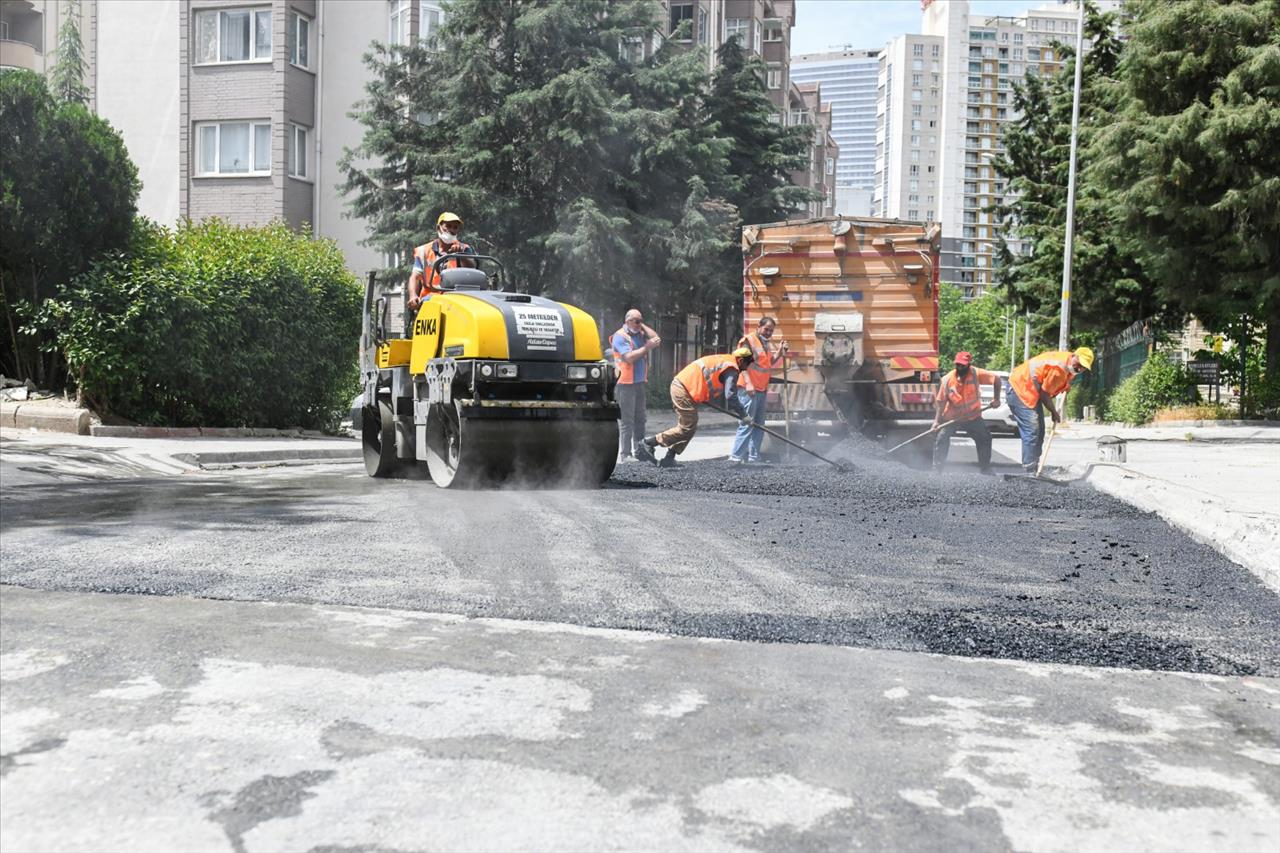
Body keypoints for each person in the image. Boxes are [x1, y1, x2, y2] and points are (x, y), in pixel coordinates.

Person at [636, 348, 754, 468]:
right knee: (687, 427)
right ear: (740, 360)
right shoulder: (732, 367)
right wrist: (743, 415)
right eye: (747, 363)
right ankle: (648, 443)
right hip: (683, 388)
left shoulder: (725, 360)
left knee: (690, 427)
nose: (747, 367)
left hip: (685, 388)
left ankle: (669, 458)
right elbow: (730, 396)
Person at [1005, 346, 1095, 472]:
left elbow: (1054, 384)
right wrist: (1054, 412)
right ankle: (1029, 469)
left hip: (1030, 391)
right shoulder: (1059, 369)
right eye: (1079, 364)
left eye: (1083, 367)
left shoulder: (1069, 365)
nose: (1079, 368)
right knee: (1032, 430)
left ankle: (1034, 468)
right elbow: (1045, 395)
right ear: (1074, 356)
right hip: (1019, 389)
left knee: (1040, 431)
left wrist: (1065, 386)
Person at [932, 351, 1000, 474]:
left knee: (985, 438)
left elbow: (997, 380)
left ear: (968, 364)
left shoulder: (976, 373)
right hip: (952, 416)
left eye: (963, 365)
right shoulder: (947, 380)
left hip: (973, 416)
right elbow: (941, 402)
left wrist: (996, 399)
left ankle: (985, 468)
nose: (960, 367)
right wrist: (937, 421)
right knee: (942, 438)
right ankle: (937, 470)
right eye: (958, 365)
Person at [730, 316, 786, 464]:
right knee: (747, 422)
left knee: (759, 425)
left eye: (771, 331)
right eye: (766, 329)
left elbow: (766, 364)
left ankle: (754, 458)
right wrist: (748, 384)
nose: (768, 333)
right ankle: (735, 457)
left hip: (761, 389)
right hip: (749, 389)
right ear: (759, 326)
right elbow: (741, 363)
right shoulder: (748, 341)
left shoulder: (764, 344)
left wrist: (779, 353)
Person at [611, 309, 662, 461]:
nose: (639, 324)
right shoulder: (620, 336)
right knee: (627, 421)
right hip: (625, 384)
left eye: (641, 320)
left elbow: (656, 339)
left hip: (638, 382)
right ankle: (625, 455)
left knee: (640, 419)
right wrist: (646, 348)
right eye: (636, 321)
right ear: (628, 321)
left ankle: (640, 452)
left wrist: (641, 325)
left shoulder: (639, 333)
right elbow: (629, 358)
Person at [407, 212, 477, 311]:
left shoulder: (464, 249)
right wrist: (413, 296)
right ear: (438, 228)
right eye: (448, 226)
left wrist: (461, 255)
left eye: (455, 227)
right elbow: (415, 276)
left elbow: (472, 270)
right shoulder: (424, 251)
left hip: (456, 299)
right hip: (429, 300)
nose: (452, 230)